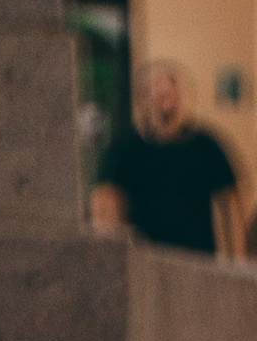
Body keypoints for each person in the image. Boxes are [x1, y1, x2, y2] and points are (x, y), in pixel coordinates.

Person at [91, 62, 244, 257]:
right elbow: (105, 200)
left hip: (198, 262)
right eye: (154, 87)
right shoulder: (124, 147)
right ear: (142, 98)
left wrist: (235, 260)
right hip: (146, 261)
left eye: (168, 84)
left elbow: (231, 203)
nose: (162, 91)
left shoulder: (206, 146)